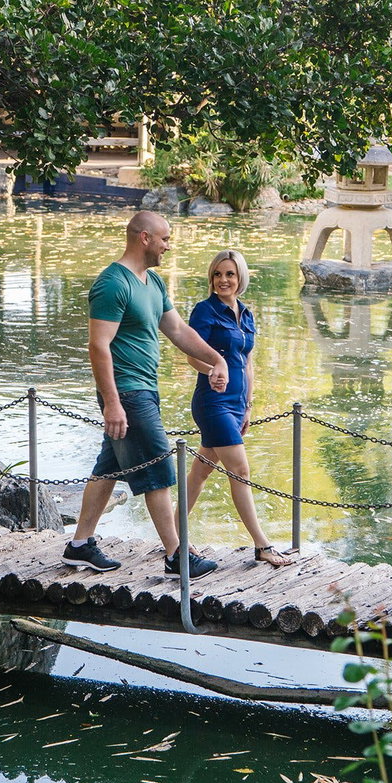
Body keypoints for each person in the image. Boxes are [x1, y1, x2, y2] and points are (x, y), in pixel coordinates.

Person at [62, 211, 231, 578]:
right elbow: (98, 346)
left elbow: (178, 330)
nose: (168, 246)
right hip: (127, 391)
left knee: (109, 467)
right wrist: (112, 402)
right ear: (144, 238)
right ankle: (176, 556)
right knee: (157, 467)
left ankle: (79, 545)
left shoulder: (152, 283)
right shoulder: (112, 283)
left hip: (144, 389)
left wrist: (216, 359)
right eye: (165, 239)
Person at [184, 249, 293, 568]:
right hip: (212, 401)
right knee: (241, 471)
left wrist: (248, 405)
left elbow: (247, 361)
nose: (223, 280)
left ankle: (174, 535)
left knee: (200, 472)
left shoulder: (246, 313)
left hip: (235, 404)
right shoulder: (204, 311)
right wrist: (210, 371)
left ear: (240, 277)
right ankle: (262, 545)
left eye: (229, 274)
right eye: (217, 274)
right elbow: (191, 355)